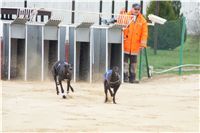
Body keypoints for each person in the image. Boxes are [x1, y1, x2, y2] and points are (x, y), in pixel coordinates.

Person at [117, 3, 148, 83]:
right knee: (125, 63)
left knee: (133, 63)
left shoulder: (143, 20)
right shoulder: (126, 16)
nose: (136, 11)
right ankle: (125, 78)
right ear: (132, 9)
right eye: (135, 9)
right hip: (125, 45)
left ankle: (132, 78)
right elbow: (119, 24)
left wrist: (143, 44)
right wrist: (121, 14)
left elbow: (144, 33)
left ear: (140, 10)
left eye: (138, 9)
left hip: (135, 46)